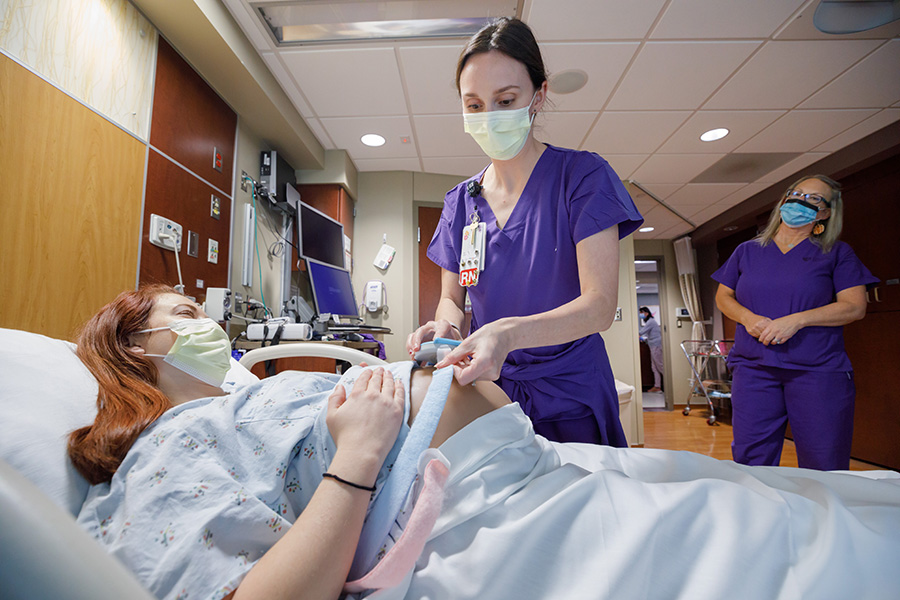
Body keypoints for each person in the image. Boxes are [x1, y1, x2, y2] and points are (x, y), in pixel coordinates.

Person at [68, 285, 900, 600]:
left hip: (527, 468)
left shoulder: (251, 396)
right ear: (137, 349)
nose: (209, 322)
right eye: (184, 316)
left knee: (801, 495)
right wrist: (357, 457)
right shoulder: (166, 450)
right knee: (800, 541)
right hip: (480, 512)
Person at [407, 17, 643, 446]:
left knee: (577, 506)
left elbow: (599, 306)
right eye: (474, 105)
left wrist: (508, 334)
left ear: (539, 95)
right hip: (491, 391)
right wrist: (446, 329)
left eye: (506, 99)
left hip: (571, 392)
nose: (489, 116)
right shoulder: (462, 202)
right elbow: (451, 299)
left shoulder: (582, 177)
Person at [713, 174, 878, 470]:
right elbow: (724, 297)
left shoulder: (837, 253)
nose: (801, 201)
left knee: (823, 459)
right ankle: (760, 515)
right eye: (796, 193)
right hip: (754, 368)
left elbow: (854, 307)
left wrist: (797, 321)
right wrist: (747, 318)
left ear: (825, 213)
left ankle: (823, 515)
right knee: (751, 459)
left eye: (814, 199)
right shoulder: (747, 251)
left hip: (816, 370)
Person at [638, 306, 664, 392]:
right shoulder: (650, 322)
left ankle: (670, 384)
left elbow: (641, 332)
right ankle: (657, 387)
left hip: (656, 346)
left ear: (647, 313)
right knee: (654, 367)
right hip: (653, 345)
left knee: (660, 366)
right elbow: (648, 335)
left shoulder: (651, 322)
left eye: (642, 313)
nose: (641, 315)